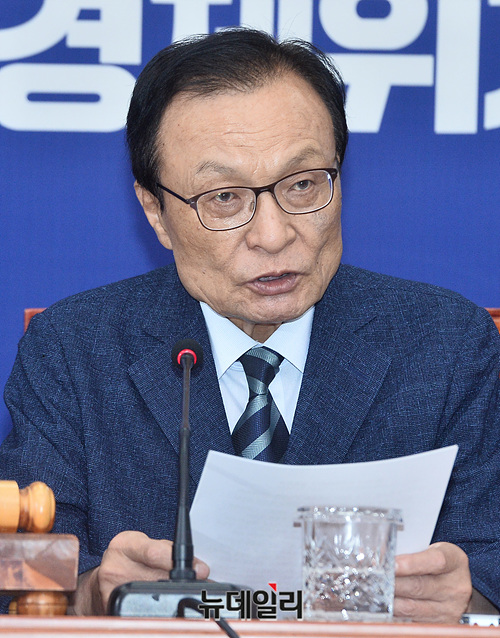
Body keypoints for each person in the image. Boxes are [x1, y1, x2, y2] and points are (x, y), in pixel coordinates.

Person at [1, 28, 499, 620]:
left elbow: (488, 561)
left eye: (303, 185)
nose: (273, 234)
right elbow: (23, 572)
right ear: (155, 212)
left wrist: (466, 600)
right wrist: (94, 595)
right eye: (224, 198)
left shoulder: (445, 343)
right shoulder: (74, 349)